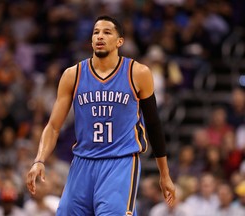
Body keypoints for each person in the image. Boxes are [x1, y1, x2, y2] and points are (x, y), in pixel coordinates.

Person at [26, 15, 175, 216]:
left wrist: (164, 174)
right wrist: (39, 160)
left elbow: (154, 124)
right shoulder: (73, 74)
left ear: (120, 41)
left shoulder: (137, 73)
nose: (100, 36)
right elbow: (53, 126)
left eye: (107, 32)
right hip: (82, 162)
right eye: (96, 32)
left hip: (120, 161)